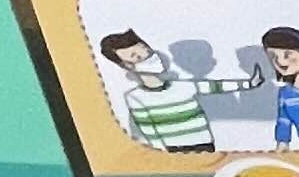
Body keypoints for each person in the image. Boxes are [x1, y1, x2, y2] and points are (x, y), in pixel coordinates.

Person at [95, 28, 256, 154]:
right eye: (136, 56)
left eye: (147, 50)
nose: (147, 56)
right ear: (126, 66)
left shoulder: (182, 86)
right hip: (174, 151)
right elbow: (150, 133)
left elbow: (215, 86)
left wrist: (250, 84)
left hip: (204, 146)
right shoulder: (135, 97)